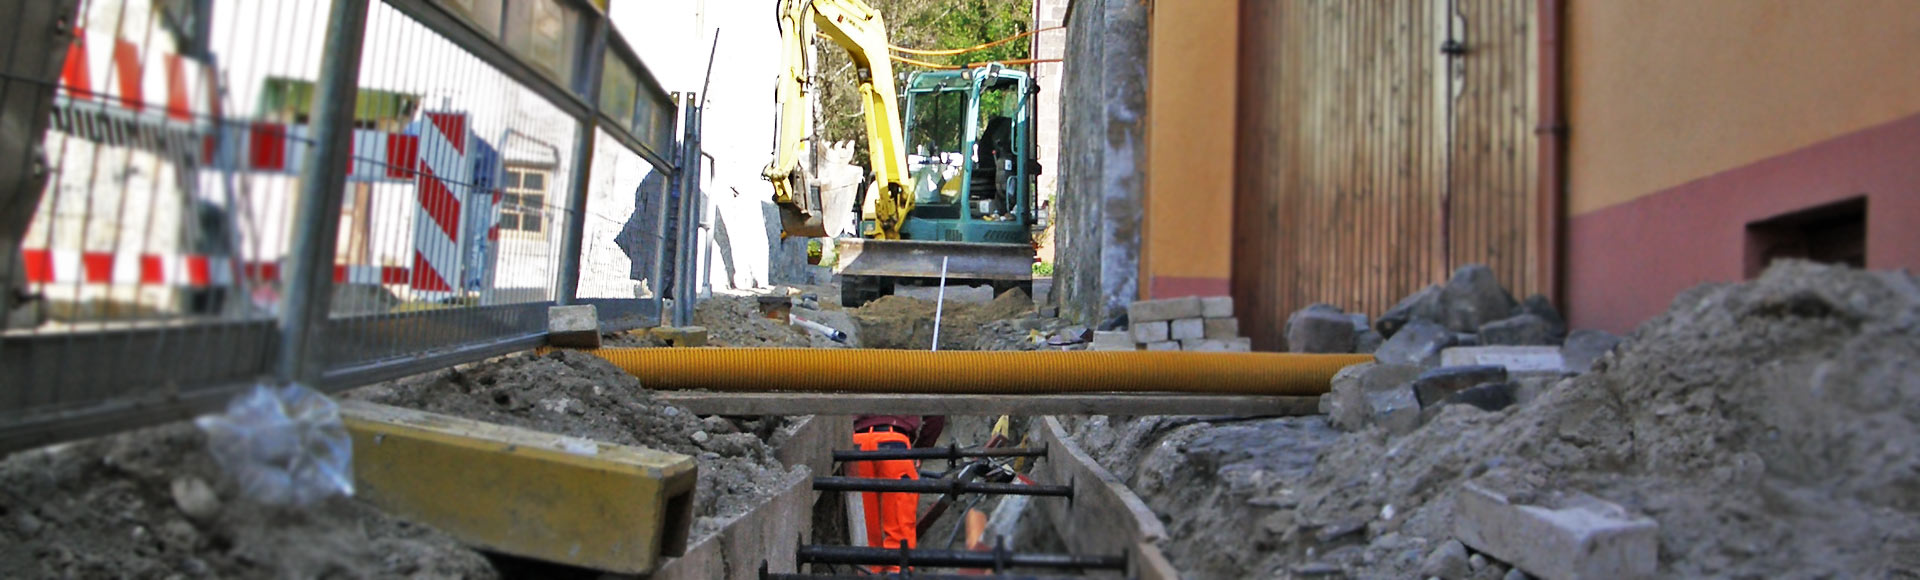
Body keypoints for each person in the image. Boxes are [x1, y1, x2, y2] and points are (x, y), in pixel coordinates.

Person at [845, 414, 945, 570]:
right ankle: (898, 573)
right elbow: (936, 415)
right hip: (894, 443)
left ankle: (871, 573)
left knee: (866, 532)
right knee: (900, 532)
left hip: (857, 444)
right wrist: (920, 450)